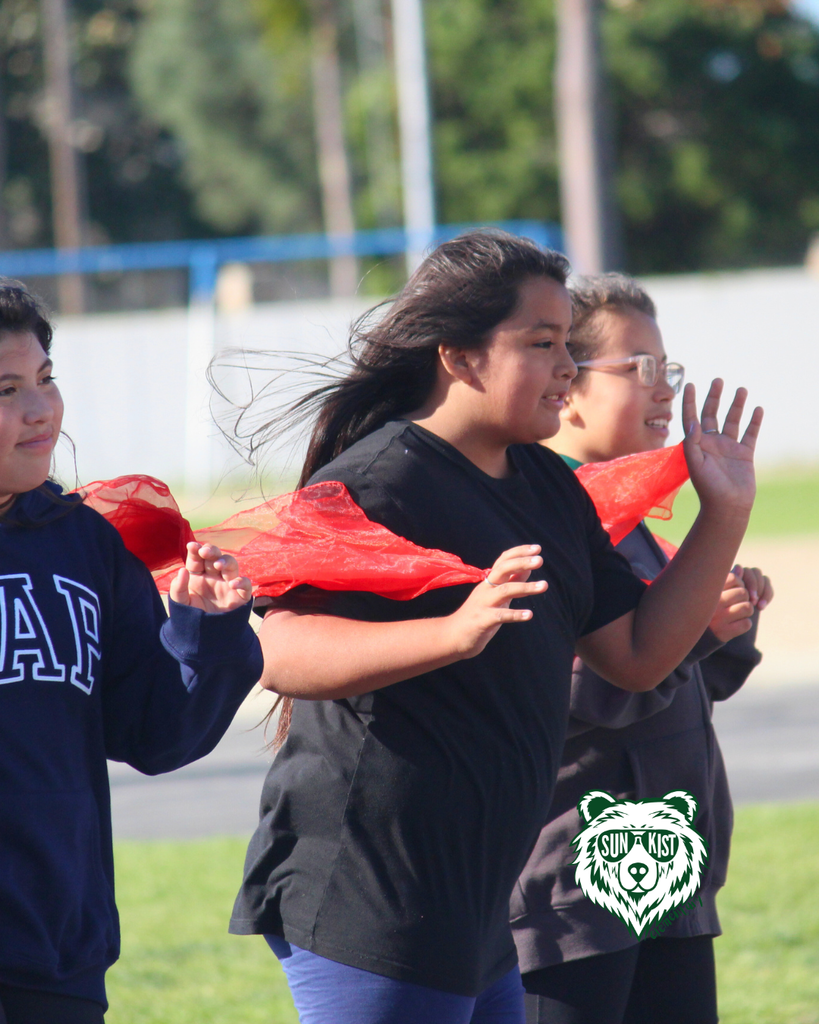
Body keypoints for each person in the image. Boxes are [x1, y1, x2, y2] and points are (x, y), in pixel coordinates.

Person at [229, 231, 763, 1024]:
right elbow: (276, 650)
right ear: (460, 358)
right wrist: (451, 632)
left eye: (567, 345)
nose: (566, 367)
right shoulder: (382, 481)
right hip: (371, 896)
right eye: (542, 344)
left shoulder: (546, 483)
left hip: (478, 909)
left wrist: (723, 511)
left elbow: (637, 657)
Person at [0, 280, 263, 1024]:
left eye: (46, 378)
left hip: (57, 946)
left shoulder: (82, 541)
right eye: (7, 390)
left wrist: (204, 632)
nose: (41, 409)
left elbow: (153, 733)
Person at [511, 274, 772, 1024]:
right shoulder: (540, 519)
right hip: (576, 889)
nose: (664, 389)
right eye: (638, 368)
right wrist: (690, 637)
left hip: (668, 875)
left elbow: (681, 682)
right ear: (568, 386)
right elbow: (556, 695)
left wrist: (722, 623)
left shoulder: (629, 519)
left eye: (668, 368)